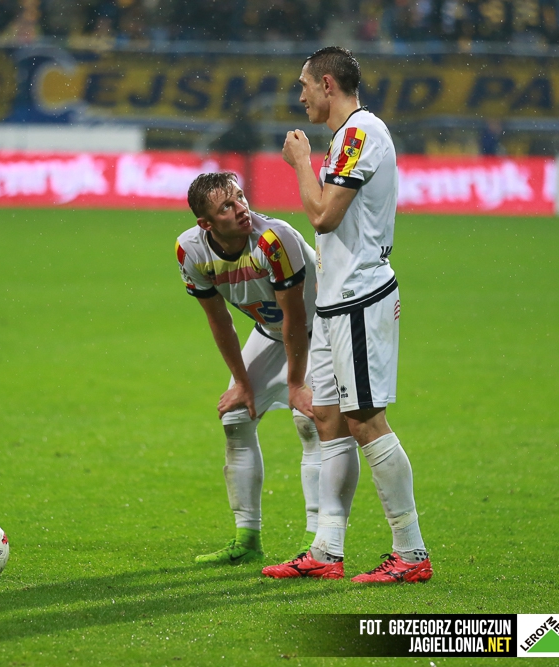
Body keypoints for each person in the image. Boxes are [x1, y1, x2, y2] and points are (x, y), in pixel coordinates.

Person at [262, 47, 432, 583]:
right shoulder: (345, 138)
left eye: (304, 85)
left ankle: (411, 553)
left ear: (328, 84)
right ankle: (326, 550)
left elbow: (323, 216)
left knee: (365, 421)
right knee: (329, 419)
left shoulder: (360, 133)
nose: (301, 96)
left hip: (359, 297)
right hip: (335, 302)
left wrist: (300, 162)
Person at [177, 172, 346, 565]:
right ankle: (247, 540)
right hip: (272, 333)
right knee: (236, 418)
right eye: (227, 206)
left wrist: (295, 384)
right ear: (206, 224)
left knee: (310, 422)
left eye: (240, 197)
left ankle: (315, 543)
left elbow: (296, 316)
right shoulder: (190, 251)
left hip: (324, 329)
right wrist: (241, 382)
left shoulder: (273, 239)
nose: (241, 209)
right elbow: (219, 319)